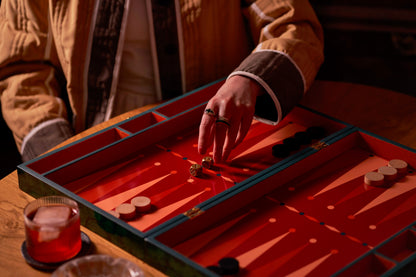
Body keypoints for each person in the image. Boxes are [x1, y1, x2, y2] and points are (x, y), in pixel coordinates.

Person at [0, 0, 324, 163]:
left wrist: (249, 79)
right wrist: (58, 156)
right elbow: (23, 70)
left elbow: (293, 26)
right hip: (93, 143)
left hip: (212, 144)